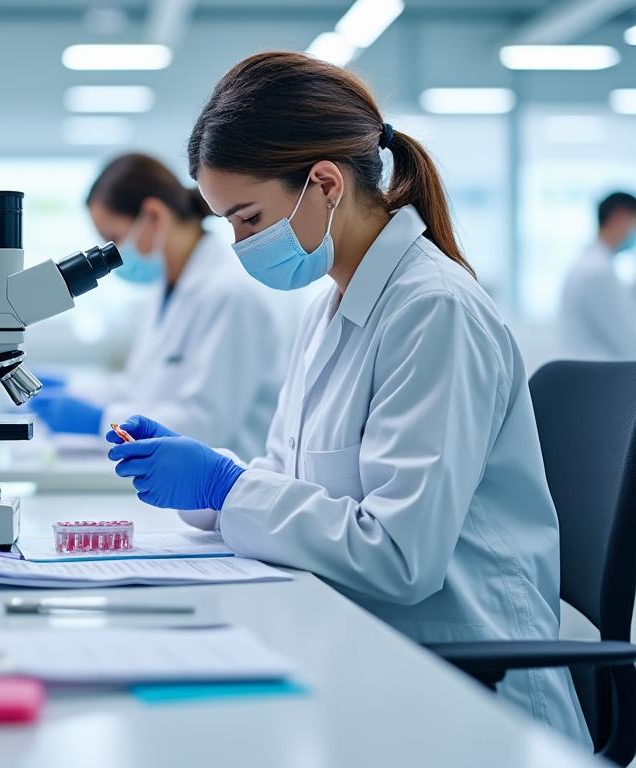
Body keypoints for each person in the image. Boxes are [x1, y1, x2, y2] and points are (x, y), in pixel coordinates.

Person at [106, 52, 590, 747]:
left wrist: (229, 486)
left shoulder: (433, 310)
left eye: (247, 218)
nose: (241, 245)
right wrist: (211, 485)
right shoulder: (330, 305)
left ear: (324, 183)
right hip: (367, 646)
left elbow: (399, 555)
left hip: (467, 689)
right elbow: (291, 484)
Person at [30, 153, 281, 460]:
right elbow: (138, 388)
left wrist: (99, 421)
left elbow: (203, 425)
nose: (113, 255)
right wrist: (72, 387)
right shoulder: (165, 291)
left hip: (221, 487)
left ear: (153, 215)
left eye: (114, 238)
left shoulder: (229, 295)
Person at [560, 191, 636, 360]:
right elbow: (631, 342)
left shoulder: (592, 265)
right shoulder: (598, 273)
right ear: (619, 219)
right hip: (600, 378)